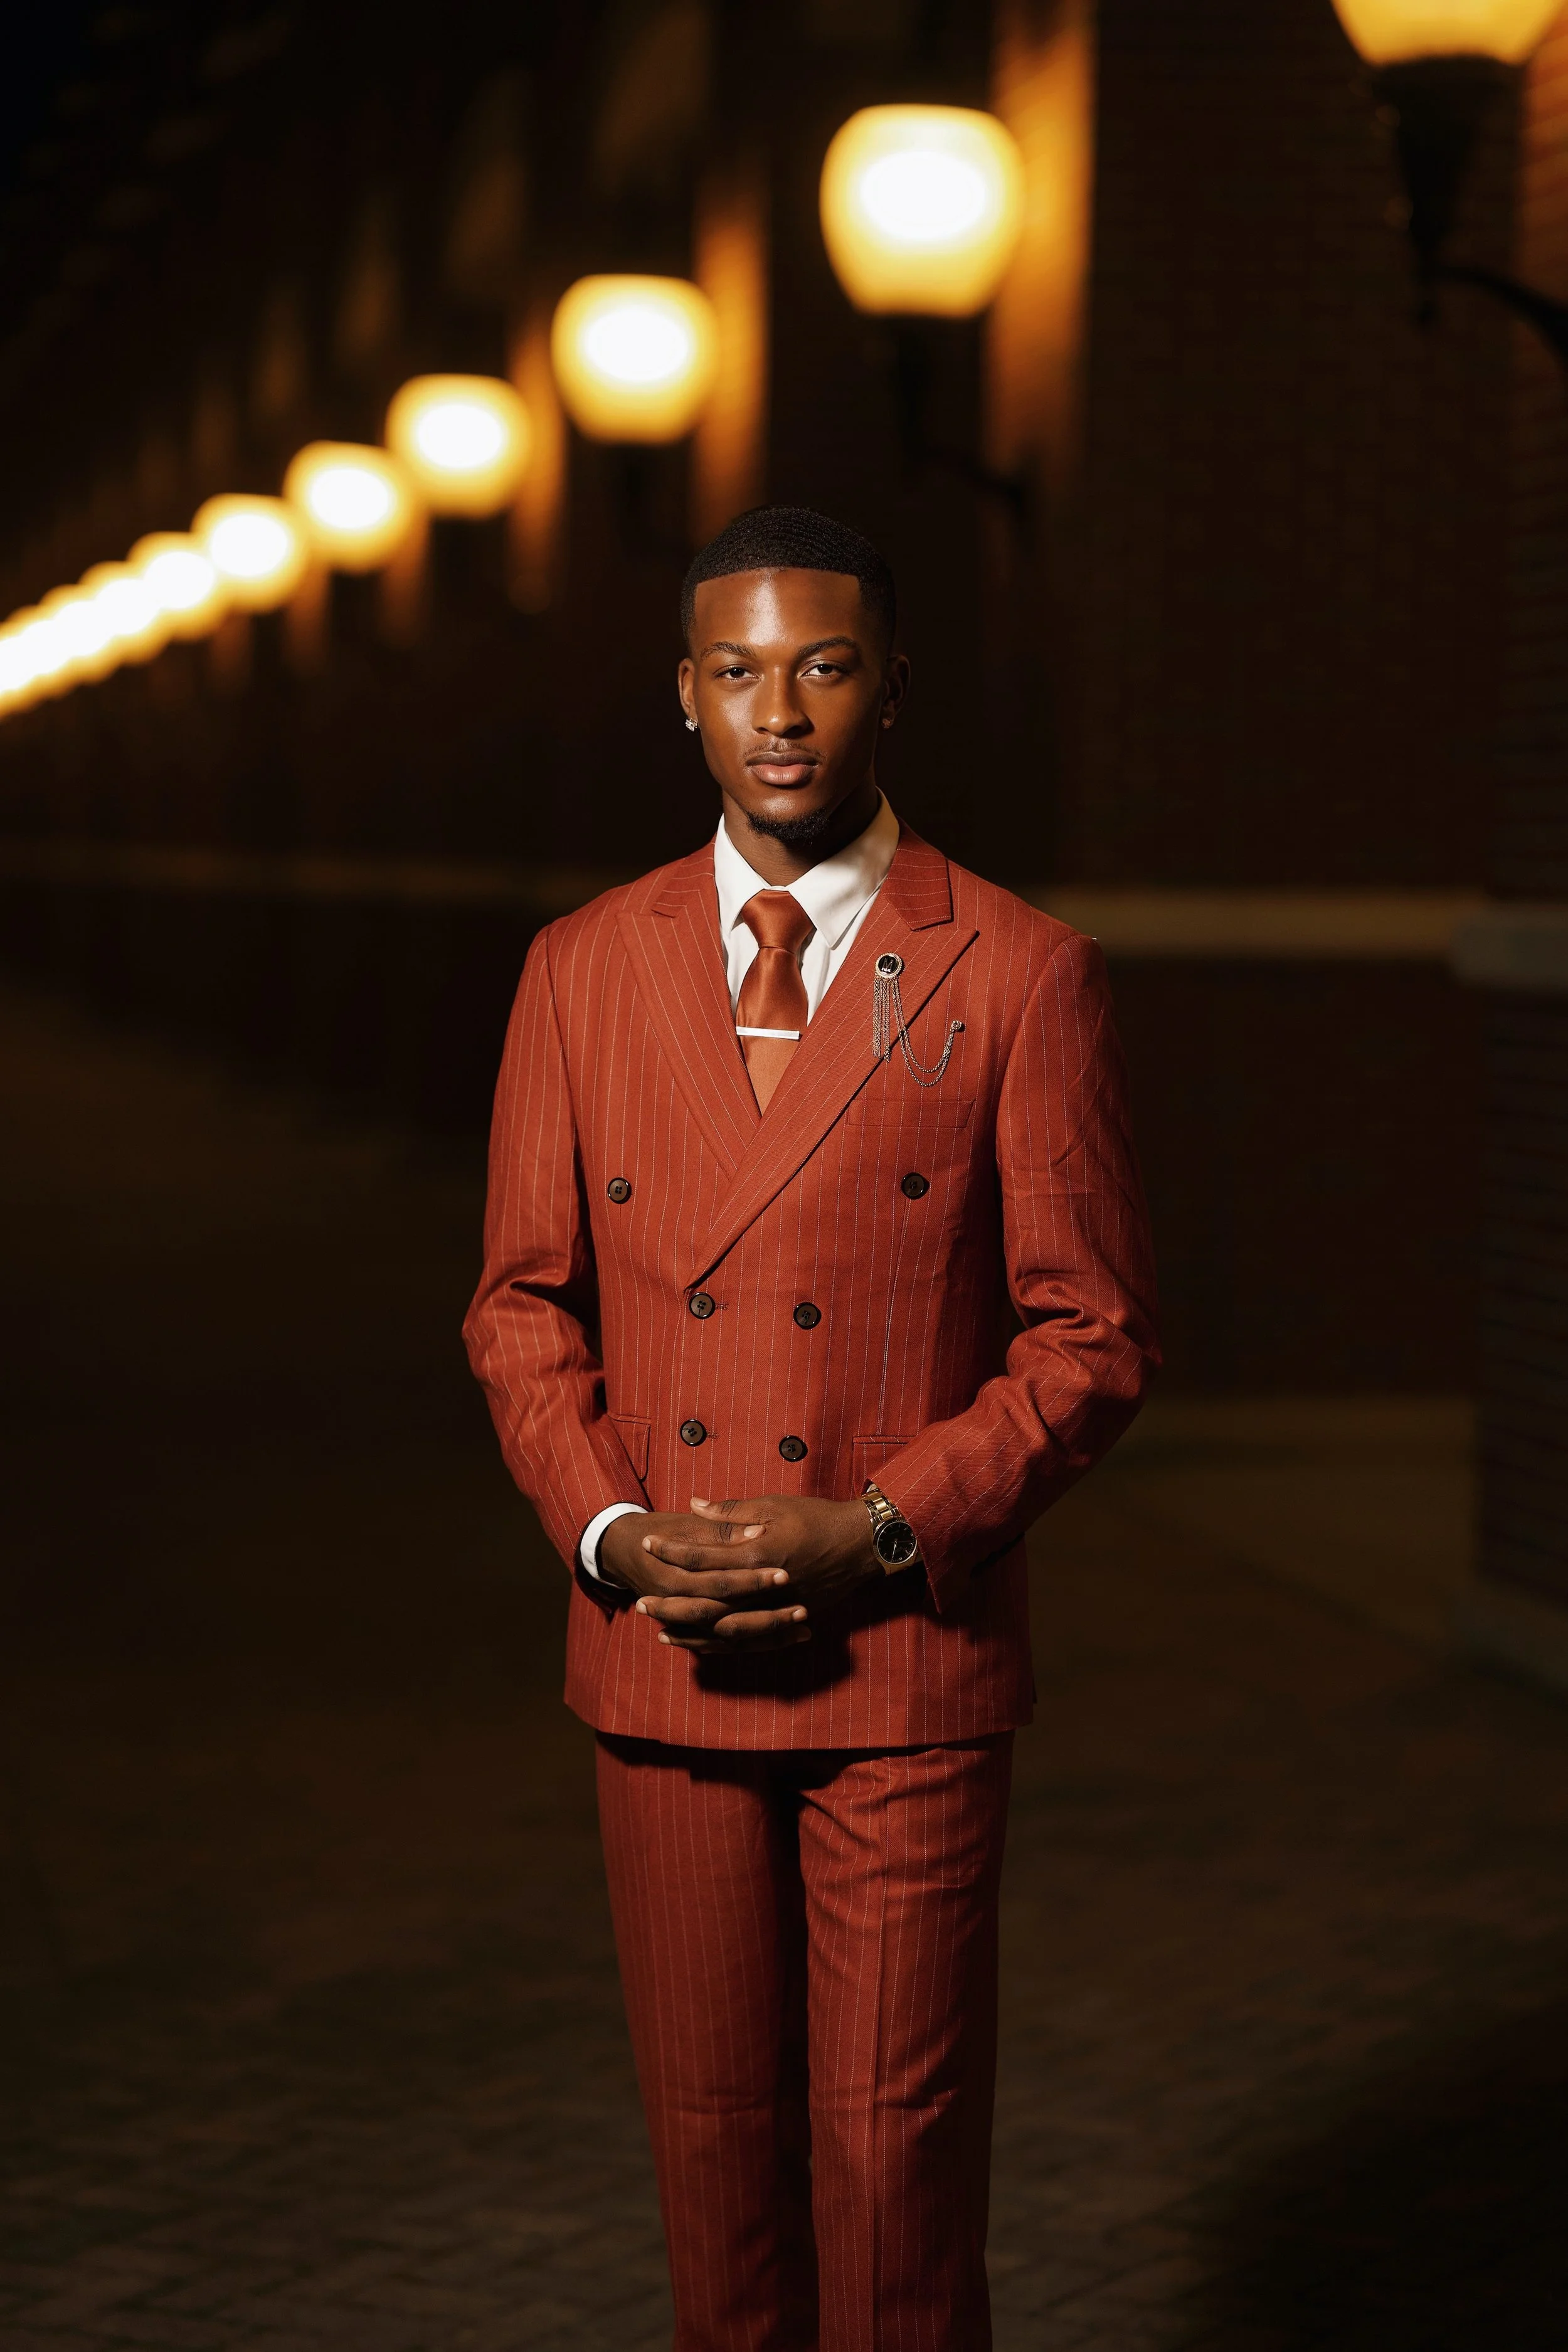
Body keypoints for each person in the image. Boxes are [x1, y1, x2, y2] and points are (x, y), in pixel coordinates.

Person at [464, 506, 1158, 2352]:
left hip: (907, 1659)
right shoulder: (579, 970)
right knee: (716, 2182)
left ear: (890, 693)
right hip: (659, 1649)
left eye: (824, 667)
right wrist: (617, 1537)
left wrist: (884, 1524)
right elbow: (520, 1306)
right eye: (738, 671)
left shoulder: (1013, 967)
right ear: (683, 698)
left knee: (893, 2182)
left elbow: (1088, 1337)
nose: (781, 713)